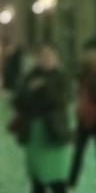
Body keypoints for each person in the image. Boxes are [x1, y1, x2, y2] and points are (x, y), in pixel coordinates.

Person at [12, 43, 73, 193]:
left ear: (56, 58)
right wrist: (30, 90)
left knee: (57, 177)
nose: (46, 59)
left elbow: (61, 101)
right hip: (34, 132)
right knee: (37, 178)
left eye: (49, 55)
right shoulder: (30, 76)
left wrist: (44, 87)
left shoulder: (62, 77)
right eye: (42, 56)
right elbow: (18, 101)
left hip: (54, 131)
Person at [68, 40, 96, 192]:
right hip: (84, 117)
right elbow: (80, 91)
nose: (88, 55)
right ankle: (72, 182)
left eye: (91, 52)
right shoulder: (83, 71)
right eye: (87, 52)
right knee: (78, 151)